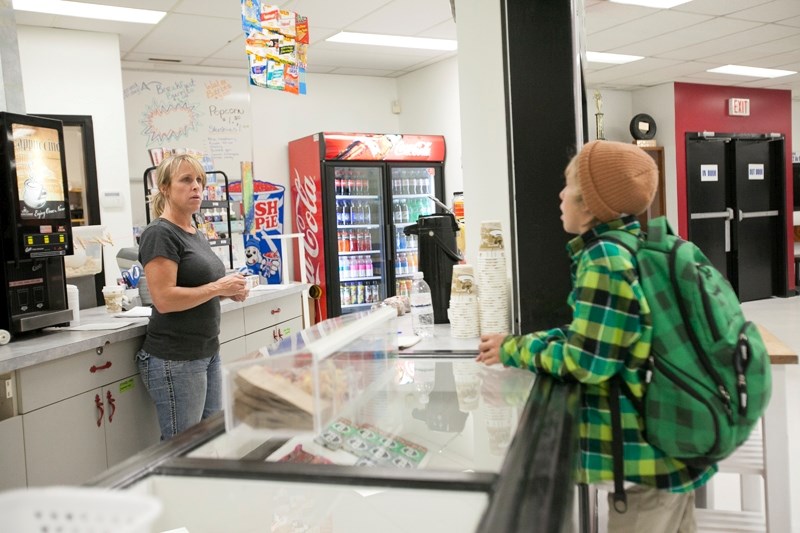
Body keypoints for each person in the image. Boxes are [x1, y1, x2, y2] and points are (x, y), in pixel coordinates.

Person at [476, 140, 715, 532]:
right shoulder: (639, 244)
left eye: (568, 186)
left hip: (646, 461)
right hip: (674, 444)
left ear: (589, 204)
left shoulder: (604, 258)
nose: (560, 195)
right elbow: (600, 332)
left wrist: (516, 351)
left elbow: (588, 361)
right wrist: (518, 343)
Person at [136, 154, 249, 440]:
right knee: (183, 448)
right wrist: (217, 288)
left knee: (208, 442)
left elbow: (198, 290)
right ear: (164, 188)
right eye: (186, 180)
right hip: (176, 359)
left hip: (207, 352)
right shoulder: (159, 233)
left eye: (199, 180)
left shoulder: (194, 232)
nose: (196, 187)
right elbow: (164, 299)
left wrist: (227, 292)